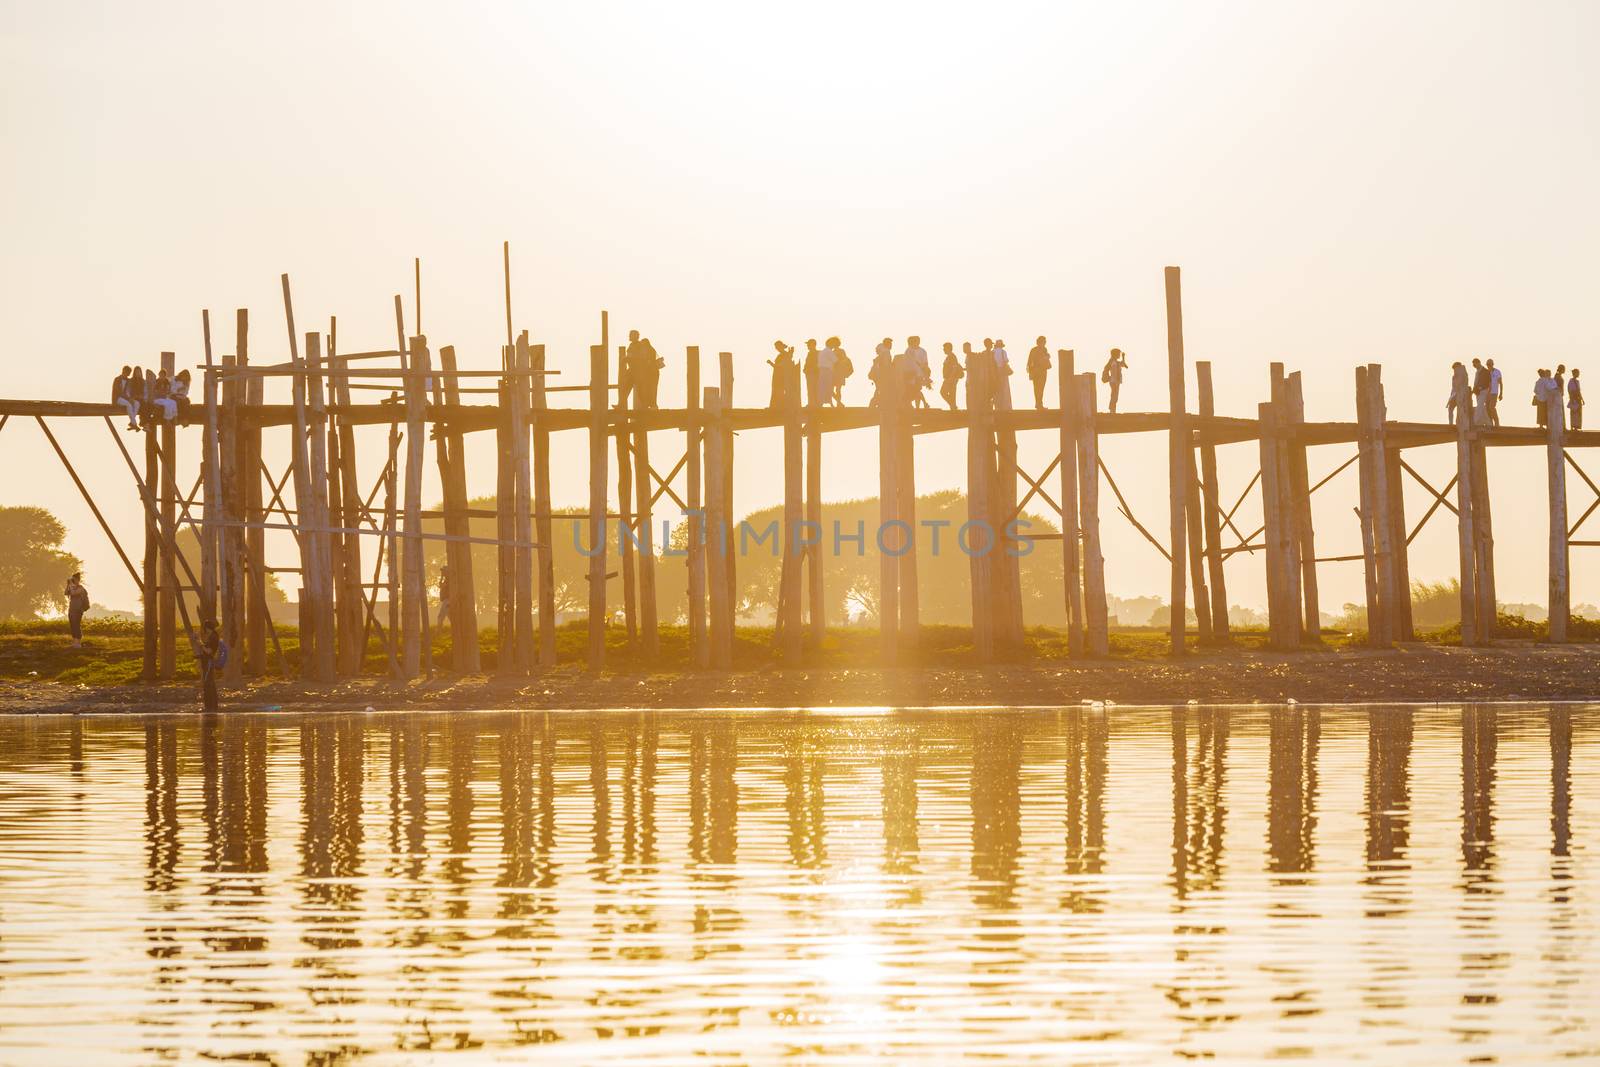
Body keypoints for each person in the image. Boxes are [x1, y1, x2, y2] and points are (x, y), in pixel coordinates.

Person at [196, 620, 227, 713]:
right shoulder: (213, 636)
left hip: (209, 663)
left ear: (206, 628)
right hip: (207, 662)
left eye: (204, 628)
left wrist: (199, 642)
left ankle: (211, 707)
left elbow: (209, 651)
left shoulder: (213, 637)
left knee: (208, 684)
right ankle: (211, 706)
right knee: (209, 683)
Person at [634, 337, 662, 409]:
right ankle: (650, 405)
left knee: (651, 390)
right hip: (651, 373)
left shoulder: (649, 351)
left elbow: (648, 362)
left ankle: (652, 405)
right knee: (649, 390)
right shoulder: (649, 350)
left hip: (652, 374)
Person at [903, 336, 930, 408]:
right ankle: (923, 404)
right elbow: (906, 362)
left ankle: (921, 405)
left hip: (918, 374)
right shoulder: (908, 350)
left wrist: (926, 375)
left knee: (916, 390)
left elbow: (925, 363)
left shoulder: (922, 351)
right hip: (910, 374)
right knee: (914, 390)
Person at [64, 572, 89, 648]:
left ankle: (78, 643)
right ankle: (74, 642)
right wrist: (68, 585)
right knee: (72, 625)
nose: (73, 581)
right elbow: (66, 593)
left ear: (78, 580)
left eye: (74, 580)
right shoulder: (72, 587)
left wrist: (71, 584)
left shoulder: (81, 588)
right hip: (71, 609)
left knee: (76, 625)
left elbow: (73, 593)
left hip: (78, 609)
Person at [768, 341, 796, 409]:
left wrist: (770, 363)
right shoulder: (783, 355)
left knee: (779, 389)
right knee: (776, 389)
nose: (776, 348)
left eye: (777, 347)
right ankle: (776, 406)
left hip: (780, 375)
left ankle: (778, 406)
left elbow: (780, 366)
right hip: (777, 374)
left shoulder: (785, 355)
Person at [867, 338, 894, 407]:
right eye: (890, 344)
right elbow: (886, 365)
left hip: (877, 374)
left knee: (879, 388)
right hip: (882, 374)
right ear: (887, 344)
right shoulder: (886, 352)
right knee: (882, 388)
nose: (891, 345)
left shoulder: (882, 351)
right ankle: (874, 403)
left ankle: (875, 403)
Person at [1026, 336, 1051, 410]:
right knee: (1038, 388)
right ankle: (1039, 404)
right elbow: (1030, 361)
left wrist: (1047, 356)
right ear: (1040, 342)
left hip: (1041, 371)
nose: (1045, 342)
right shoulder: (1036, 350)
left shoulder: (1042, 349)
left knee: (1039, 388)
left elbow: (1029, 362)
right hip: (1038, 371)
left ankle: (1039, 404)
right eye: (1044, 341)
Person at [940, 342, 964, 410]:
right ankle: (953, 406)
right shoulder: (949, 356)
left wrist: (951, 377)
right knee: (951, 393)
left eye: (944, 348)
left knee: (943, 392)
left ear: (948, 348)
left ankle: (953, 406)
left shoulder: (952, 356)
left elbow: (954, 367)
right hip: (949, 378)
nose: (943, 350)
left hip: (951, 378)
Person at [819, 337, 842, 407]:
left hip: (822, 371)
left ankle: (824, 403)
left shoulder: (823, 351)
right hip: (827, 371)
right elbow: (836, 361)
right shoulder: (829, 351)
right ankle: (837, 402)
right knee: (829, 388)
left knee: (823, 388)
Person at [991, 338, 1013, 411]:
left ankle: (997, 406)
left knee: (996, 391)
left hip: (994, 372)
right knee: (1004, 390)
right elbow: (1005, 361)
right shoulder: (1003, 352)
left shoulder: (992, 352)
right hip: (1003, 372)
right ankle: (1005, 406)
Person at [802, 339, 822, 407]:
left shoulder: (818, 353)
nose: (807, 346)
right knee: (810, 389)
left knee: (816, 388)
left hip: (815, 373)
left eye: (808, 344)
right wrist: (805, 369)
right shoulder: (809, 353)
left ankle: (817, 403)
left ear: (813, 345)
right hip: (809, 373)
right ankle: (811, 403)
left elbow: (819, 363)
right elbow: (807, 363)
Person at [1471, 358, 1489, 425]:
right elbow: (1476, 382)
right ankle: (1488, 423)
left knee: (1479, 407)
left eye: (1475, 364)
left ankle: (1475, 421)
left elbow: (1487, 382)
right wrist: (1474, 390)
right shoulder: (1477, 372)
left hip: (1483, 391)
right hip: (1477, 392)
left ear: (1478, 363)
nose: (1474, 366)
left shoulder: (1485, 371)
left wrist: (1480, 388)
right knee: (1482, 407)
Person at [1486, 358, 1502, 427]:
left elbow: (1500, 383)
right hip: (1487, 393)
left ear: (1492, 364)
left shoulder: (1497, 372)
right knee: (1487, 408)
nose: (1488, 366)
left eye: (1490, 364)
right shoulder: (1486, 372)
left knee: (1491, 407)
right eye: (1487, 365)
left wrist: (1501, 393)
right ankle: (1490, 423)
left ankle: (1496, 422)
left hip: (1494, 393)